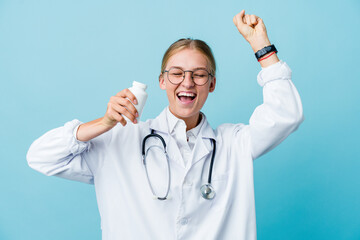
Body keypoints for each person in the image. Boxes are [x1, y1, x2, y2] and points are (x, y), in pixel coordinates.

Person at [27, 9, 303, 240]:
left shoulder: (233, 143)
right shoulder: (121, 139)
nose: (187, 82)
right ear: (162, 81)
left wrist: (263, 49)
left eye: (199, 74)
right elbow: (41, 157)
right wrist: (105, 122)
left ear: (212, 84)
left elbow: (285, 115)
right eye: (177, 73)